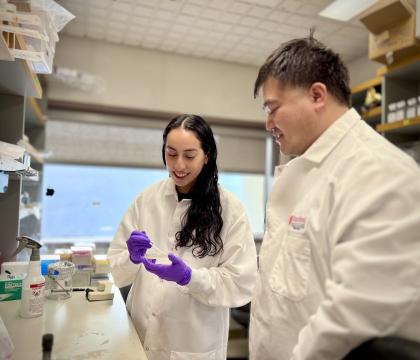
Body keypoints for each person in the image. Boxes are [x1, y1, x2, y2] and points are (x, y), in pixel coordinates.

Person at [249, 30, 420, 360]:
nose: (268, 123)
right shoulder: (302, 170)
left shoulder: (378, 174)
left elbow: (351, 321)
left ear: (317, 95)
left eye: (272, 108)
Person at [107, 114, 257, 360]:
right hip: (140, 335)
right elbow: (115, 269)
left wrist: (190, 278)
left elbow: (241, 283)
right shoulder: (147, 199)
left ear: (206, 155)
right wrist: (131, 258)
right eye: (171, 153)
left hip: (193, 344)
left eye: (189, 155)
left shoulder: (229, 208)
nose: (178, 165)